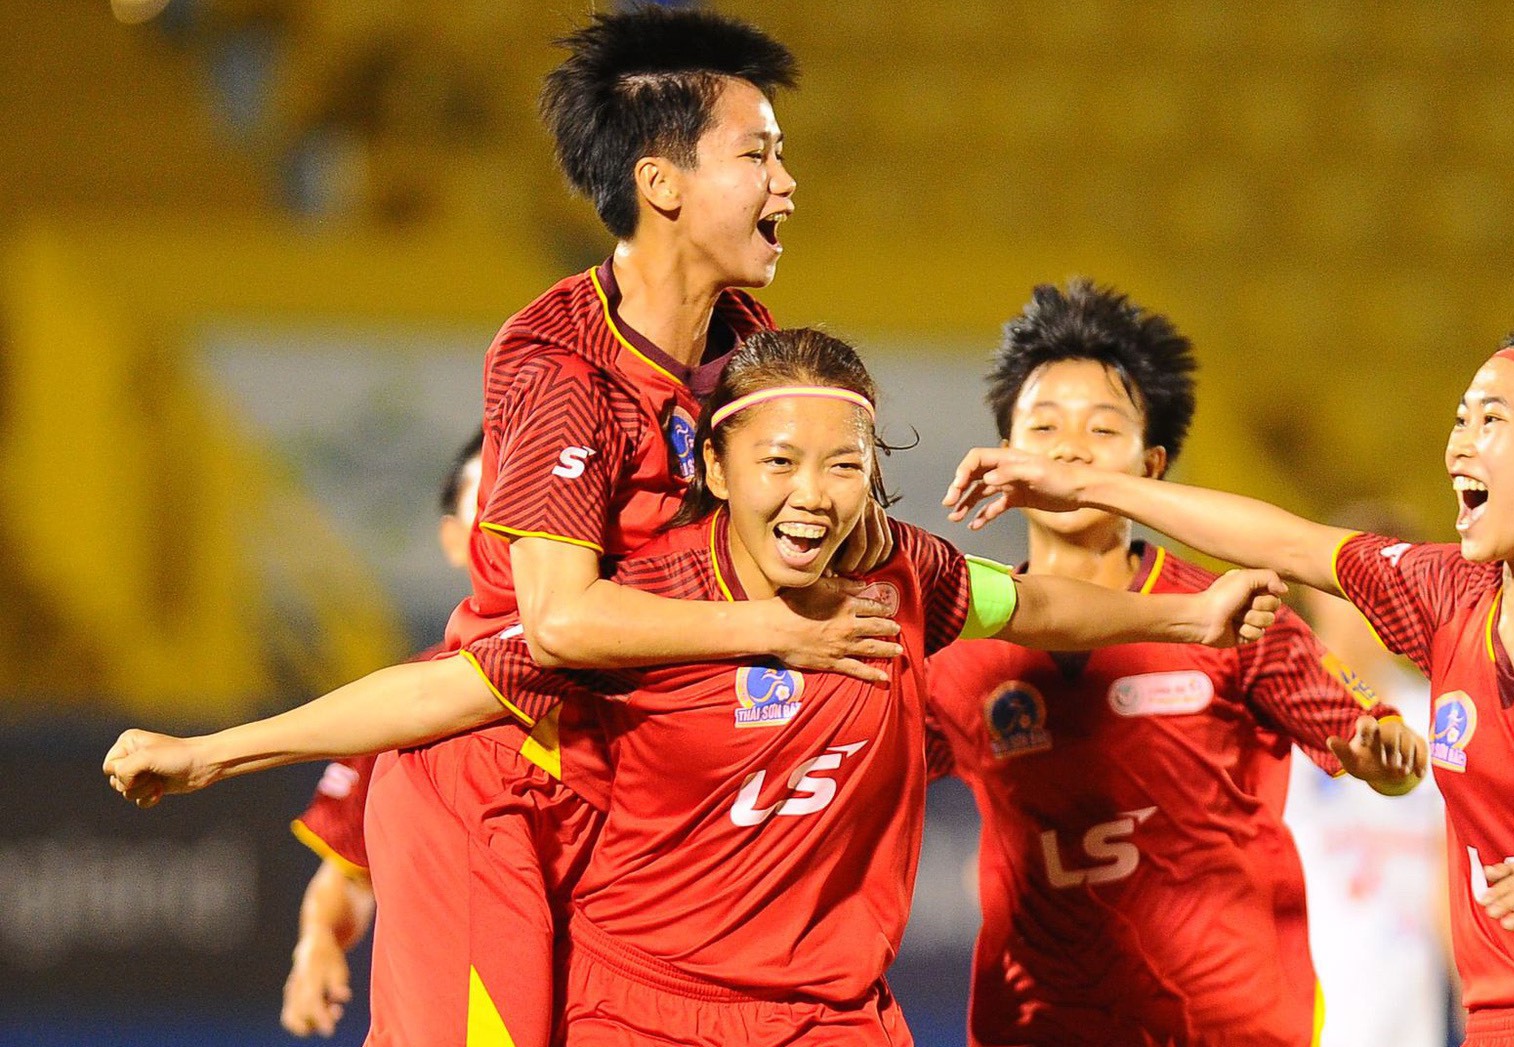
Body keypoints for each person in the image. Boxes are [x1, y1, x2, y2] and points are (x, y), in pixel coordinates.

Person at [106, 327, 1293, 1046]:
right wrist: (214, 753)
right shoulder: (635, 614)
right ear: (713, 466)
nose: (814, 494)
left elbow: (1028, 602)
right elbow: (436, 696)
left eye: (844, 465)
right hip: (644, 1017)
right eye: (778, 462)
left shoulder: (898, 573)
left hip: (839, 1020)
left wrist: (1183, 613)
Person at [944, 320, 1514, 1046]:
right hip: (1508, 1021)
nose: (1459, 444)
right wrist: (1086, 483)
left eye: (1491, 419)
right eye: (1459, 420)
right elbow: (1286, 542)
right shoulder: (1449, 594)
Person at [337, 10, 903, 1045]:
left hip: (623, 794)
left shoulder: (744, 338)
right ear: (663, 184)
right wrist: (775, 633)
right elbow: (557, 624)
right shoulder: (562, 368)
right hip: (497, 783)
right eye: (759, 155)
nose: (786, 184)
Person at [921, 282, 1426, 1047]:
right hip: (1037, 1027)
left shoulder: (1234, 613)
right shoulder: (960, 646)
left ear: (1150, 466)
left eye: (1102, 428)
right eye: (1043, 425)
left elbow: (1379, 749)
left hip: (1230, 1028)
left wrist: (1381, 754)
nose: (1068, 448)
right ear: (1005, 455)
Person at [280, 431, 483, 1039]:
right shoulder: (399, 701)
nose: (510, 516)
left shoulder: (621, 686)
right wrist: (318, 937)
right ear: (452, 537)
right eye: (487, 498)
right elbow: (351, 874)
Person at [1283, 503, 1456, 1047]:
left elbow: (1457, 887)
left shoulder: (1444, 716)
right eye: (1347, 588)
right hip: (1296, 1012)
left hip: (1416, 1017)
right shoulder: (1272, 713)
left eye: (1386, 592)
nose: (1366, 610)